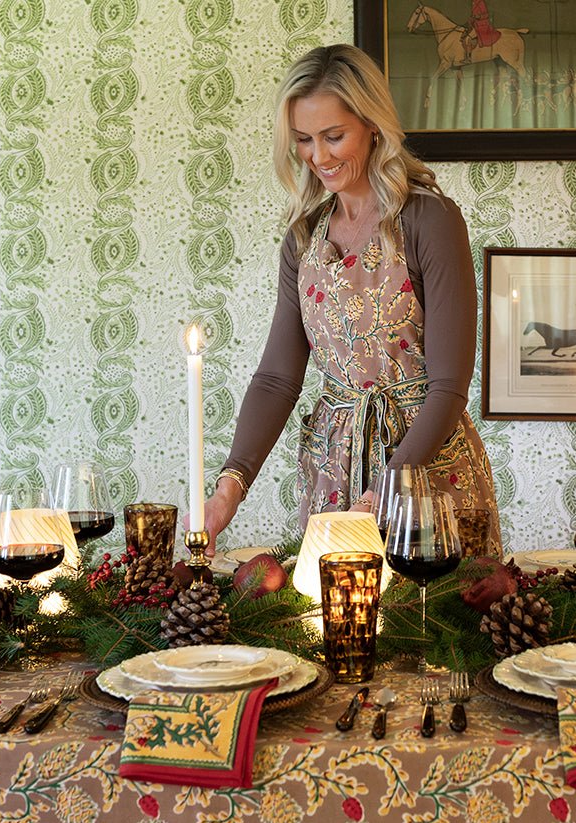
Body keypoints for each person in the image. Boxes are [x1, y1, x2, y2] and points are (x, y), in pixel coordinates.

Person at [204, 44, 501, 565]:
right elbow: (277, 378)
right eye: (303, 140)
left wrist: (386, 490)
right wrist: (231, 484)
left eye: (333, 136)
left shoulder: (430, 221)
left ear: (372, 125)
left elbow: (451, 385)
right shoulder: (303, 238)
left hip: (427, 471)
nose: (318, 157)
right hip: (334, 474)